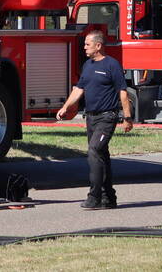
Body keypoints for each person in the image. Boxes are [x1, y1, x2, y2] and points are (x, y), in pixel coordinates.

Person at [56, 30, 133, 210]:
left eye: (87, 44)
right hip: (91, 118)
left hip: (107, 117)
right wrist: (65, 107)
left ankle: (94, 196)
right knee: (101, 156)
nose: (84, 47)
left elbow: (123, 93)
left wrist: (127, 118)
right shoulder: (87, 65)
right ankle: (109, 198)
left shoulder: (112, 65)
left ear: (98, 46)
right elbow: (79, 89)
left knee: (94, 151)